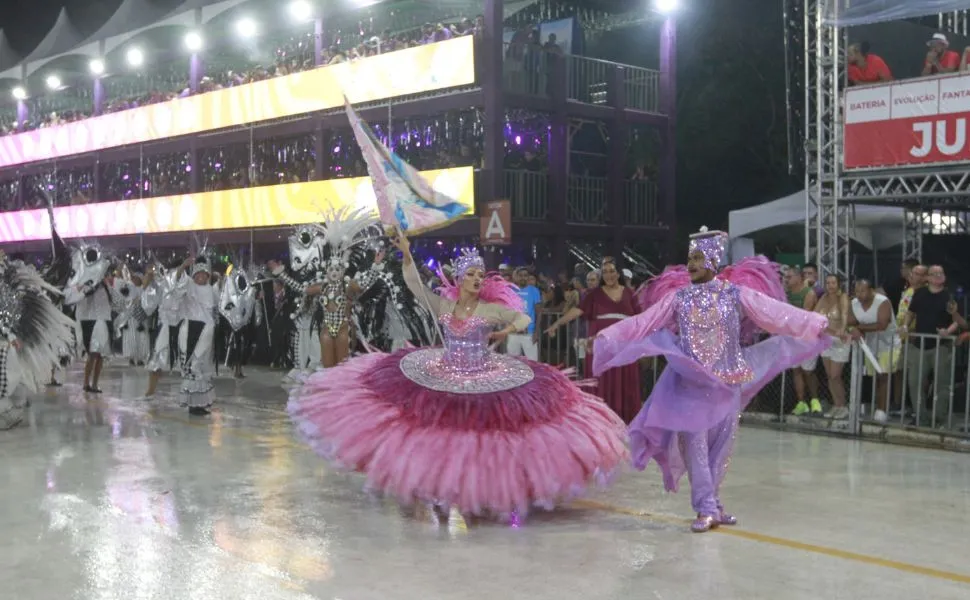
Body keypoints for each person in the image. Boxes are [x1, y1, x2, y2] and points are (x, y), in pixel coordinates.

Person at [288, 232, 628, 522]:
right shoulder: (445, 308)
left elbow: (523, 320)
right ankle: (435, 489)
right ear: (461, 278)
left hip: (483, 378)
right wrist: (406, 253)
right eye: (472, 275)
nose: (478, 280)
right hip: (442, 376)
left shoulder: (488, 310)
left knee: (479, 439)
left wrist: (504, 330)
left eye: (482, 276)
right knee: (436, 435)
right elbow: (414, 286)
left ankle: (480, 492)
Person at [591, 228, 830, 533]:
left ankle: (714, 503)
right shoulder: (678, 298)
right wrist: (610, 335)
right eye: (689, 257)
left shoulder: (735, 294)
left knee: (722, 447)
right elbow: (644, 321)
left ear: (713, 260)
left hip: (728, 381)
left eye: (697, 257)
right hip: (692, 385)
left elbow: (776, 313)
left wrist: (816, 322)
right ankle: (704, 505)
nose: (690, 263)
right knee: (696, 447)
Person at [544, 258, 643, 423]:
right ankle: (602, 417)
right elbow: (577, 311)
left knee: (623, 378)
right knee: (602, 378)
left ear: (618, 273)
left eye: (612, 271)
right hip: (601, 344)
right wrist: (556, 324)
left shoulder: (629, 294)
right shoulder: (594, 294)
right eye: (605, 272)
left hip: (623, 345)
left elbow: (640, 319)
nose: (609, 275)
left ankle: (623, 419)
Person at [0, 251, 77, 430]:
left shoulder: (5, 286)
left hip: (6, 340)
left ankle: (8, 410)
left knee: (10, 375)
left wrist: (11, 335)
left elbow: (6, 314)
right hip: (7, 339)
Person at [900, 265, 966, 427]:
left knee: (942, 384)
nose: (938, 276)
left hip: (941, 346)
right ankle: (920, 417)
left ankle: (939, 417)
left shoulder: (949, 295)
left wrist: (947, 331)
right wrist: (906, 326)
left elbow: (959, 322)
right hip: (920, 345)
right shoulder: (920, 293)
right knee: (914, 382)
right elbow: (911, 312)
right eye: (934, 273)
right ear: (927, 278)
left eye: (941, 273)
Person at [62, 244, 117, 394]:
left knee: (98, 354)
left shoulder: (104, 282)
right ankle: (87, 383)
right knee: (93, 354)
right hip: (88, 319)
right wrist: (86, 287)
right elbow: (72, 297)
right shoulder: (80, 278)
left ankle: (93, 384)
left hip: (102, 318)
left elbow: (117, 301)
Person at [172, 256, 220, 415]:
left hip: (206, 330)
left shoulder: (212, 290)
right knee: (193, 366)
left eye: (204, 274)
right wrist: (183, 266)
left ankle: (199, 403)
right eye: (198, 274)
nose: (201, 277)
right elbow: (177, 280)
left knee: (203, 366)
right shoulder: (189, 286)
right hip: (191, 329)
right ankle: (192, 404)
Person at [847, 279, 899, 423]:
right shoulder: (853, 303)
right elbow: (850, 322)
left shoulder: (883, 301)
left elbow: (882, 324)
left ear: (871, 290)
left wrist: (860, 328)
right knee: (873, 377)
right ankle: (875, 407)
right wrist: (853, 329)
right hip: (869, 345)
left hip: (888, 344)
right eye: (857, 291)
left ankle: (882, 410)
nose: (859, 294)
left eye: (862, 290)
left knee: (883, 376)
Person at [140, 261, 184, 400]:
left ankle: (190, 391)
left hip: (180, 325)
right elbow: (148, 301)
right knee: (157, 358)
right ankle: (151, 390)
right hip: (164, 326)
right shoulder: (161, 286)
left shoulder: (183, 286)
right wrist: (149, 276)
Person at [814, 274, 851, 419]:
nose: (830, 285)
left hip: (840, 340)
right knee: (830, 376)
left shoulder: (843, 297)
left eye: (833, 283)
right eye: (828, 283)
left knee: (836, 375)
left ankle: (843, 406)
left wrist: (842, 328)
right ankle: (837, 405)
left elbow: (845, 314)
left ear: (838, 284)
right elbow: (814, 314)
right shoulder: (823, 298)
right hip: (826, 339)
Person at [786, 268, 822, 415]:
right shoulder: (786, 294)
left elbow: (804, 316)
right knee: (796, 370)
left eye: (789, 276)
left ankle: (815, 401)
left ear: (799, 278)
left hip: (808, 339)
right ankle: (801, 403)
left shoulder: (809, 293)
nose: (786, 279)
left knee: (808, 372)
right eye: (785, 277)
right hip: (792, 338)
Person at [507, 267, 541, 360]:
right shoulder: (511, 290)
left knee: (533, 363)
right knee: (513, 364)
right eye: (520, 275)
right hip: (513, 332)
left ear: (528, 277)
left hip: (529, 333)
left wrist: (536, 332)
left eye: (525, 276)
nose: (523, 278)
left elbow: (539, 312)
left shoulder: (534, 291)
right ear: (517, 277)